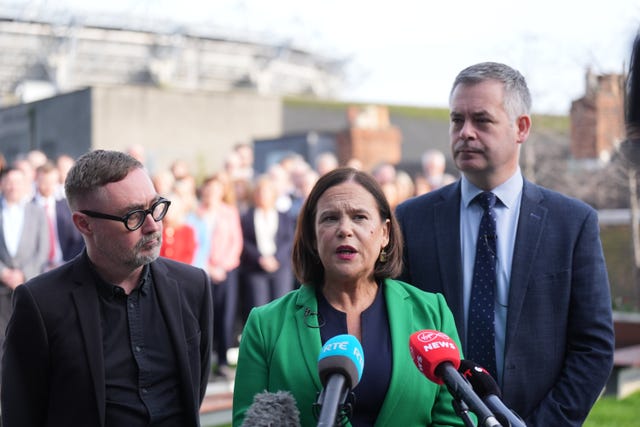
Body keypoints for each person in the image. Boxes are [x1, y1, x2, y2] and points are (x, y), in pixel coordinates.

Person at [395, 62, 615, 426]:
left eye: (481, 120)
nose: (465, 133)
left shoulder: (572, 223)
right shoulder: (412, 220)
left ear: (521, 128)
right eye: (456, 120)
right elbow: (397, 333)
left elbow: (593, 347)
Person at [233, 167, 466, 427]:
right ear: (312, 236)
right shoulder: (266, 325)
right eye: (330, 218)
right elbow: (249, 421)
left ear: (385, 233)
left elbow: (453, 418)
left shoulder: (432, 313)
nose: (345, 229)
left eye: (359, 217)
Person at [1, 149, 213, 427]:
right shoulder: (41, 303)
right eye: (133, 216)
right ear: (84, 224)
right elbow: (22, 414)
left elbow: (193, 390)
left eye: (156, 207)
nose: (153, 226)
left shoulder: (192, 286)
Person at [0, 167, 49, 396]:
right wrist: (4, 273)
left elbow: (43, 249)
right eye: (9, 182)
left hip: (29, 285)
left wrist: (23, 274)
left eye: (18, 182)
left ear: (26, 185)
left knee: (29, 335)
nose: (13, 186)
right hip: (1, 287)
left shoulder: (36, 212)